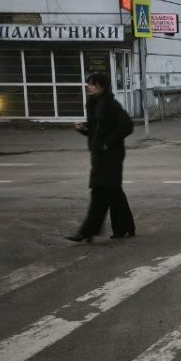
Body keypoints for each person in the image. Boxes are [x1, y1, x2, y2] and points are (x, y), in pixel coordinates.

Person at [65, 72, 136, 242]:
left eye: (93, 84)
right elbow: (96, 130)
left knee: (99, 192)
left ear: (102, 87)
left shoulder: (110, 105)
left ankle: (87, 231)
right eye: (88, 84)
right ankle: (124, 228)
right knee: (114, 193)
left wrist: (108, 142)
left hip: (110, 155)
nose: (88, 87)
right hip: (99, 154)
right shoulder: (94, 104)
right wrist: (84, 128)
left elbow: (127, 125)